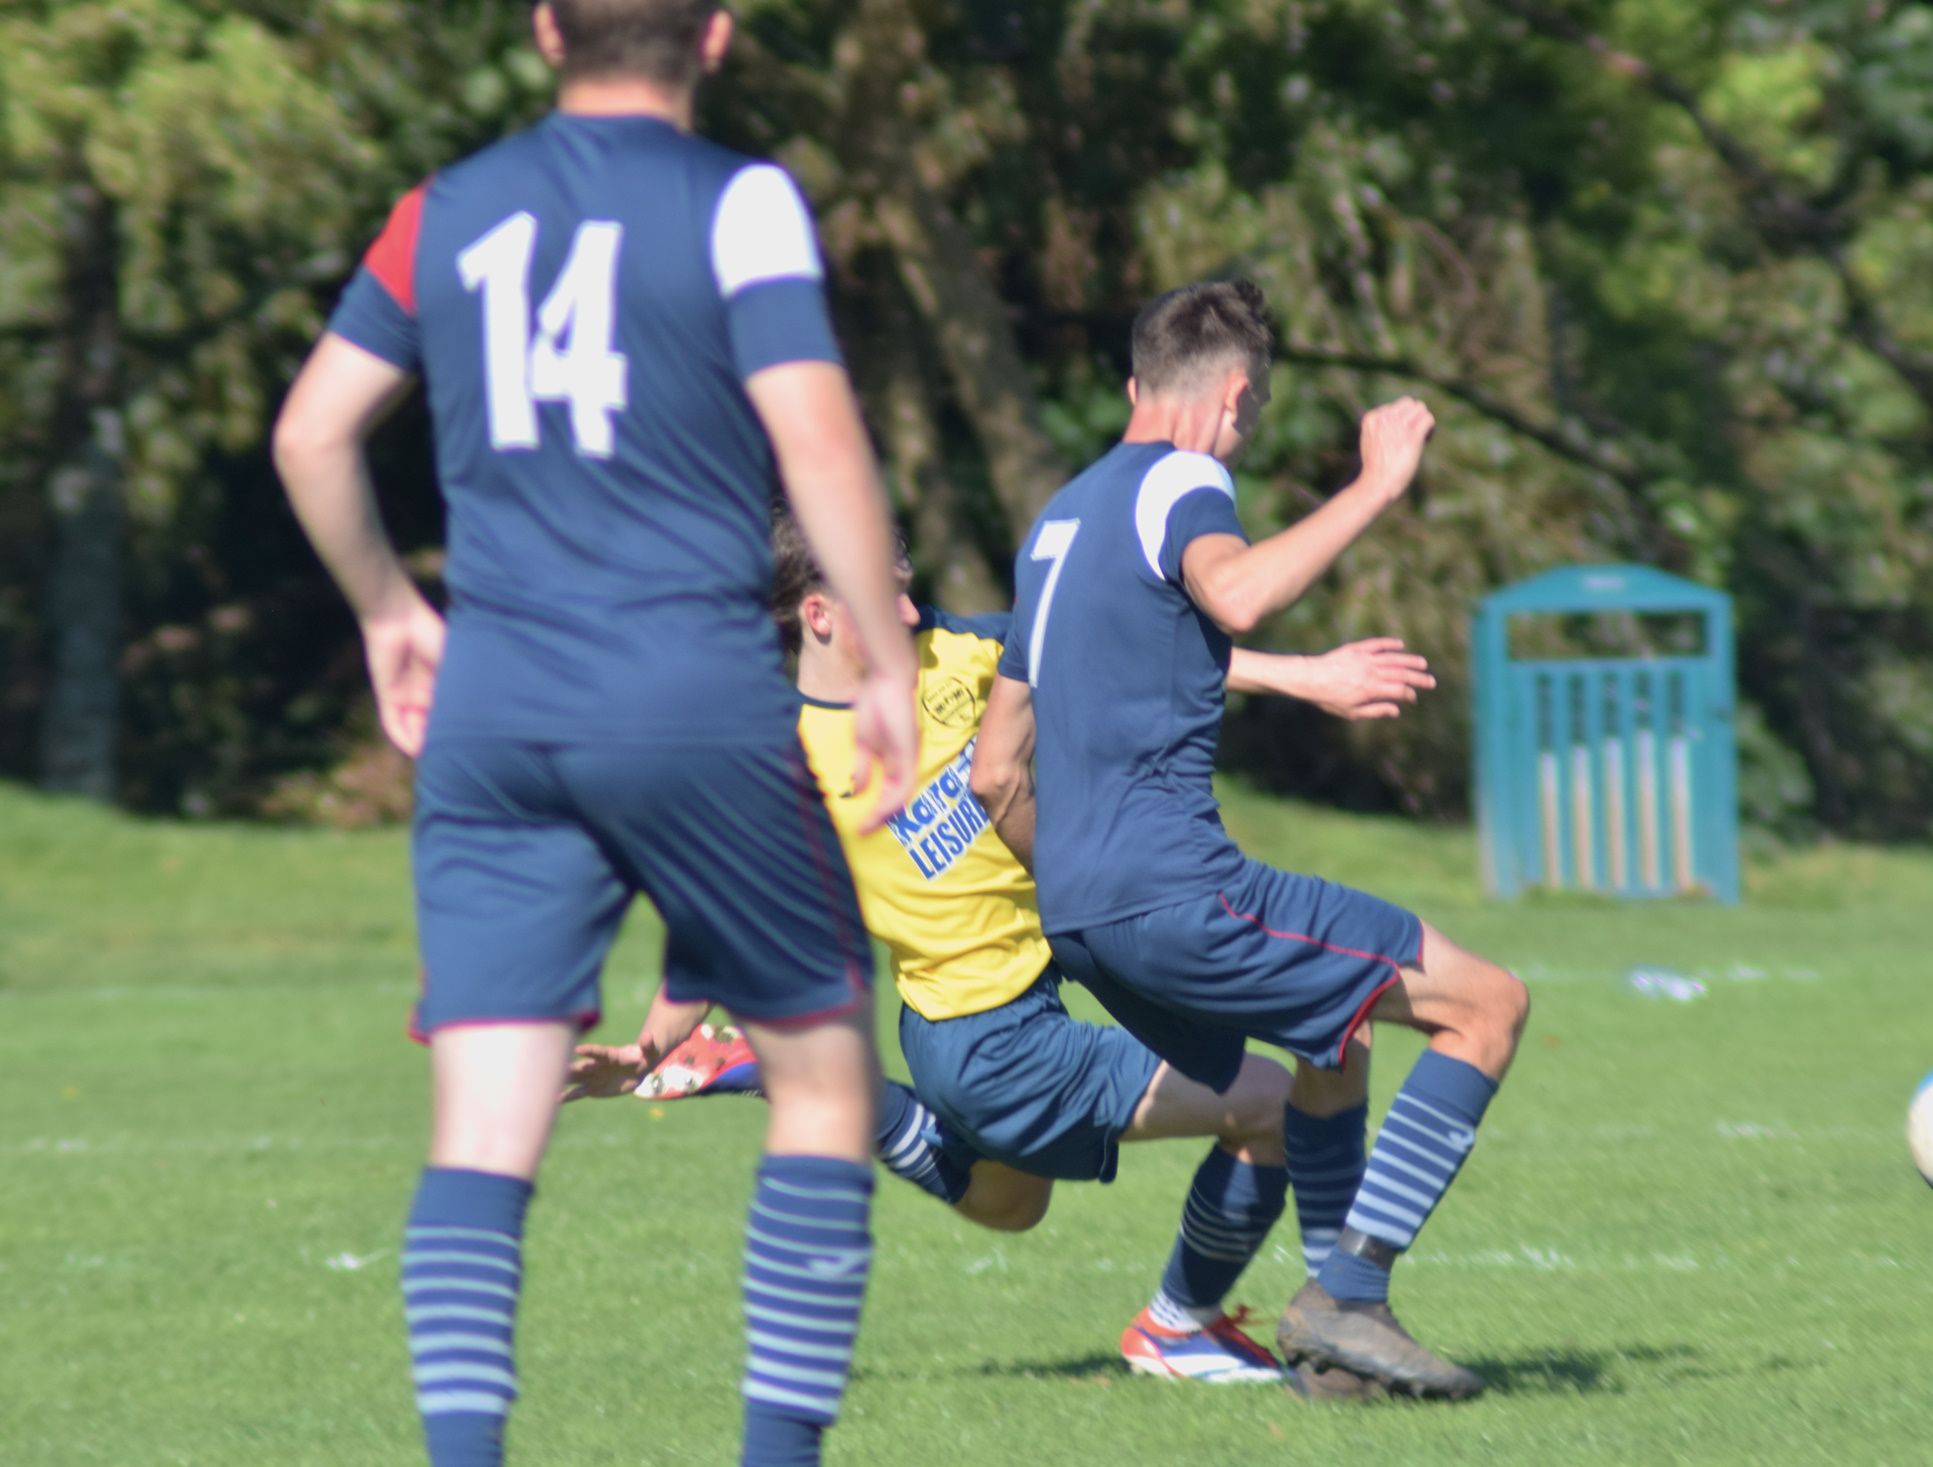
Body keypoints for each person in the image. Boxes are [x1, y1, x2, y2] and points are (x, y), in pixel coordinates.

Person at [269, 5, 917, 1465]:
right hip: (689, 689)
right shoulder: (740, 202)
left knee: (482, 1135)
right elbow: (817, 440)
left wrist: (388, 607)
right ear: (718, 33)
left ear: (547, 26)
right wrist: (879, 646)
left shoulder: (441, 210)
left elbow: (312, 432)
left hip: (496, 714)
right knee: (819, 1081)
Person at [566, 512, 1440, 1386]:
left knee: (1014, 1203)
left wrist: (1308, 674)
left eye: (906, 589)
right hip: (986, 1041)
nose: (910, 614)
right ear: (821, 615)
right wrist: (647, 1051)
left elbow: (1131, 663)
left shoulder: (964, 649)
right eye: (886, 596)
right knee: (1272, 1104)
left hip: (1012, 1001)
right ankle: (1181, 1325)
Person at [970, 281, 1530, 1400]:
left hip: (1081, 912)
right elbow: (1233, 595)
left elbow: (994, 767)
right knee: (1487, 1005)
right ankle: (1350, 1295)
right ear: (1230, 397)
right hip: (1177, 892)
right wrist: (1375, 483)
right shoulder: (1185, 476)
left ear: (1135, 387)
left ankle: (1333, 1346)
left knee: (1336, 1042)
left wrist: (1084, 877)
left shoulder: (1058, 520)